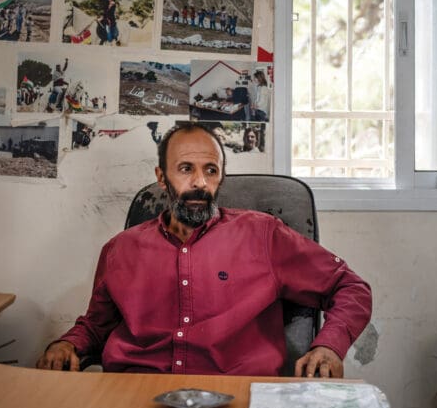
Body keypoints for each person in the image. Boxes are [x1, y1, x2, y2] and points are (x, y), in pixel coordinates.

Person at [35, 123, 372, 376]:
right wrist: (67, 344)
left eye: (210, 171)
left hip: (236, 395)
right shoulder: (120, 250)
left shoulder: (263, 235)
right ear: (162, 178)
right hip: (134, 392)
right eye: (186, 169)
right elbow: (97, 325)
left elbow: (350, 287)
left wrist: (329, 346)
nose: (199, 182)